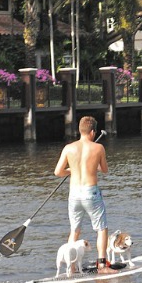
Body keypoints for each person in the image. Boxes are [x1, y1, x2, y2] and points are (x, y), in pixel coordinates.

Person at [54, 116, 118, 274]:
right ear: (92, 132)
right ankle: (102, 265)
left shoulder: (68, 148)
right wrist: (92, 167)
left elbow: (58, 172)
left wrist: (72, 170)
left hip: (74, 193)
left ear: (79, 131)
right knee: (101, 229)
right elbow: (104, 169)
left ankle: (72, 267)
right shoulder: (98, 148)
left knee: (75, 230)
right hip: (91, 192)